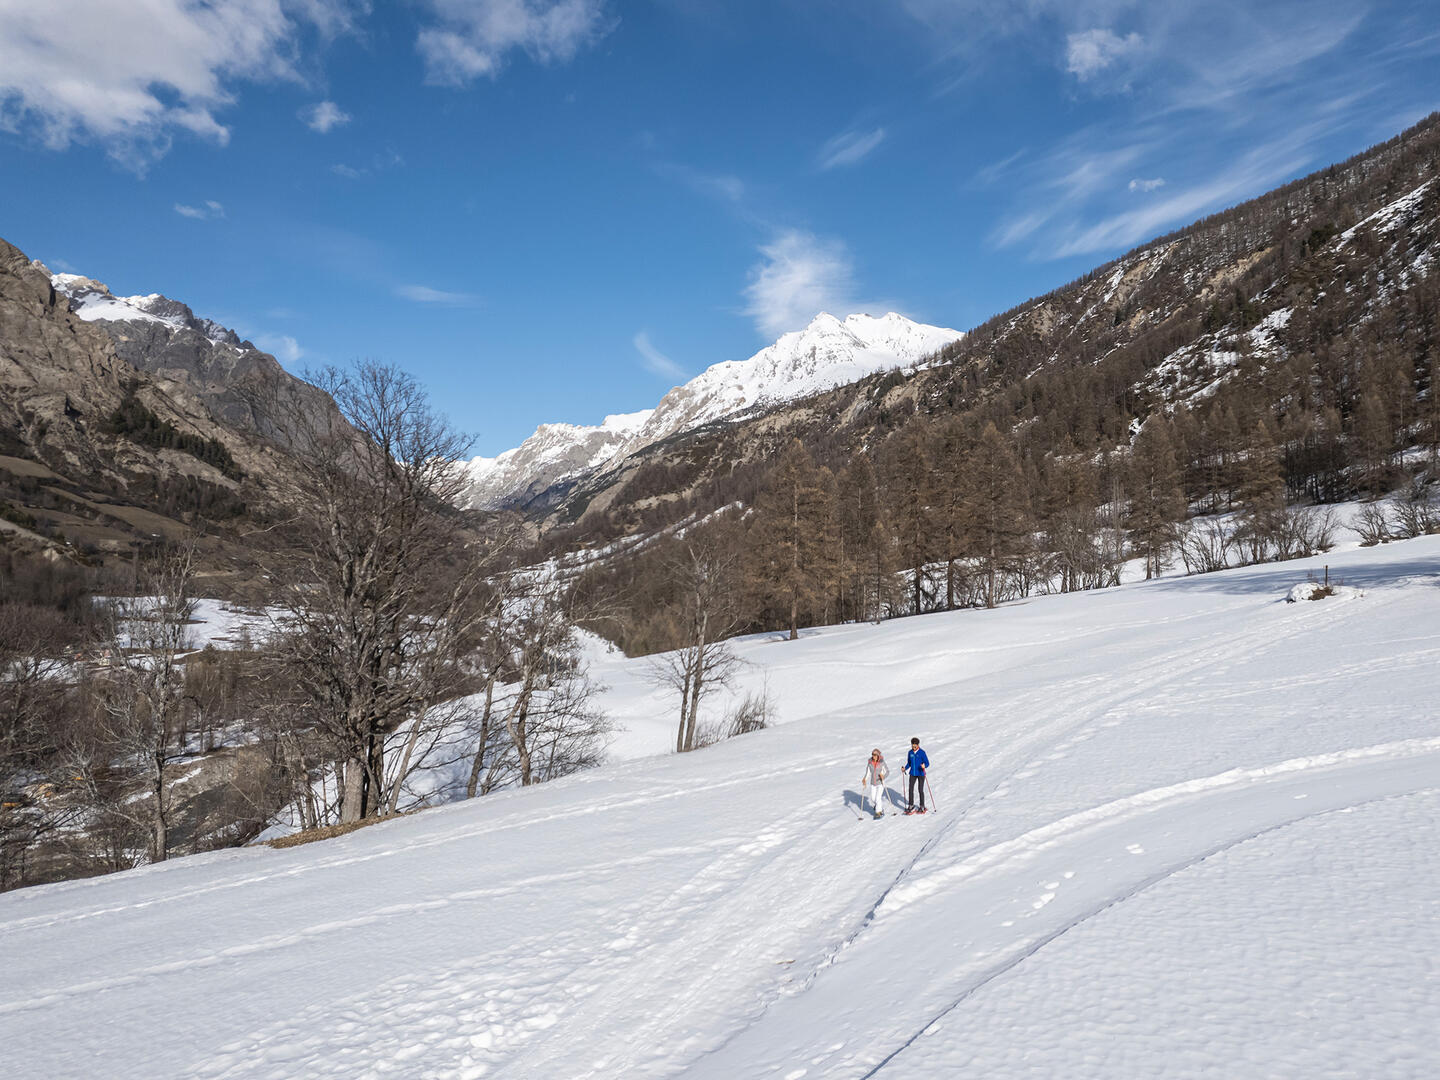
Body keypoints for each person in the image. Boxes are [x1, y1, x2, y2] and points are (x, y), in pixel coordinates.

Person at [861, 748, 889, 819]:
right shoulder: (870, 762)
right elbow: (868, 772)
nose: (873, 756)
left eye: (875, 755)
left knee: (877, 798)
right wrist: (865, 779)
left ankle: (879, 812)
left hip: (880, 783)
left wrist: (883, 776)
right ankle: (879, 807)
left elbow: (887, 771)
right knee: (873, 798)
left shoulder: (882, 762)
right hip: (873, 783)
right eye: (872, 754)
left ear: (878, 755)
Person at [904, 737, 929, 814]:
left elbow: (927, 763)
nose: (913, 748)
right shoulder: (910, 752)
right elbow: (909, 763)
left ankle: (922, 806)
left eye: (915, 746)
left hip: (921, 773)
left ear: (918, 745)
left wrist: (924, 766)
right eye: (912, 746)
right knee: (910, 789)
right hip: (913, 773)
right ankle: (911, 805)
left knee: (920, 789)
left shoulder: (922, 752)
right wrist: (905, 768)